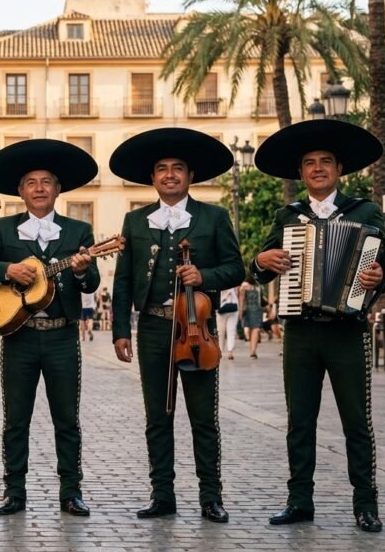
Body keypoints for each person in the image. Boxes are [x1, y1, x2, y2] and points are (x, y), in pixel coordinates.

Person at [250, 119, 385, 533]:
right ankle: (300, 501)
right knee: (300, 420)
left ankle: (365, 505)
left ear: (339, 170)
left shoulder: (365, 212)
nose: (317, 168)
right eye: (310, 163)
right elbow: (260, 267)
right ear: (301, 173)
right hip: (299, 331)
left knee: (356, 420)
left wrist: (377, 277)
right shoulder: (288, 215)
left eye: (325, 162)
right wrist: (263, 262)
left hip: (347, 331)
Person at [110, 128, 243, 523]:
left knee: (204, 417)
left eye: (178, 169)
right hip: (152, 328)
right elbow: (121, 280)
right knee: (158, 417)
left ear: (190, 176)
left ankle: (210, 497)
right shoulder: (135, 221)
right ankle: (162, 495)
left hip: (198, 329)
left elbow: (234, 267)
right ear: (152, 178)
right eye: (162, 169)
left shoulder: (214, 217)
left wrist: (204, 277)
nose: (170, 175)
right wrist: (120, 331)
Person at [0, 139, 100, 517]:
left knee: (67, 419)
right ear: (21, 191)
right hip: (19, 336)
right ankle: (15, 492)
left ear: (58, 189)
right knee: (16, 418)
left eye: (46, 181)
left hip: (62, 335)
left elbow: (91, 282)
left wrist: (81, 270)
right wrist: (7, 270)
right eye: (31, 182)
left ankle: (71, 492)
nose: (39, 188)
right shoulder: (4, 228)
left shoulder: (79, 230)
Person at [240, 281, 264, 359]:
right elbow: (241, 299)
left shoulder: (260, 285)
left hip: (258, 310)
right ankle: (252, 350)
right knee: (250, 330)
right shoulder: (245, 285)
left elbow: (261, 299)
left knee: (256, 330)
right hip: (248, 310)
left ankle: (253, 351)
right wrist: (240, 312)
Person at [217, 287, 239, 361]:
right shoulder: (233, 282)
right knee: (231, 331)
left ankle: (220, 351)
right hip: (233, 307)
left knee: (220, 332)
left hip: (221, 307)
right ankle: (230, 352)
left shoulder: (218, 282)